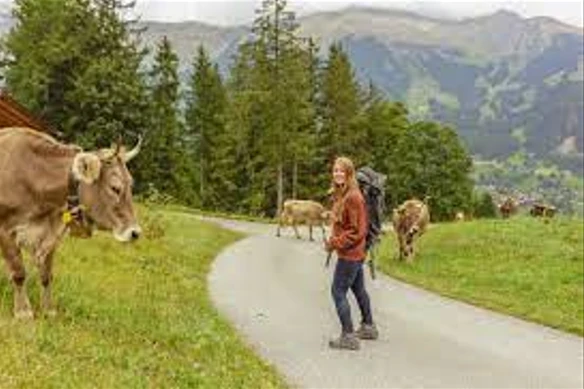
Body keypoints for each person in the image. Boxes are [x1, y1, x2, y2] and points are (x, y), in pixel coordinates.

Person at [325, 156, 378, 351]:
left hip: (350, 254)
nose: (338, 173)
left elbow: (358, 231)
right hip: (355, 253)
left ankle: (348, 336)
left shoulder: (353, 197)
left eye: (342, 170)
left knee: (337, 292)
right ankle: (368, 326)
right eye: (335, 170)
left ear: (349, 173)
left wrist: (335, 243)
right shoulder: (343, 193)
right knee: (358, 289)